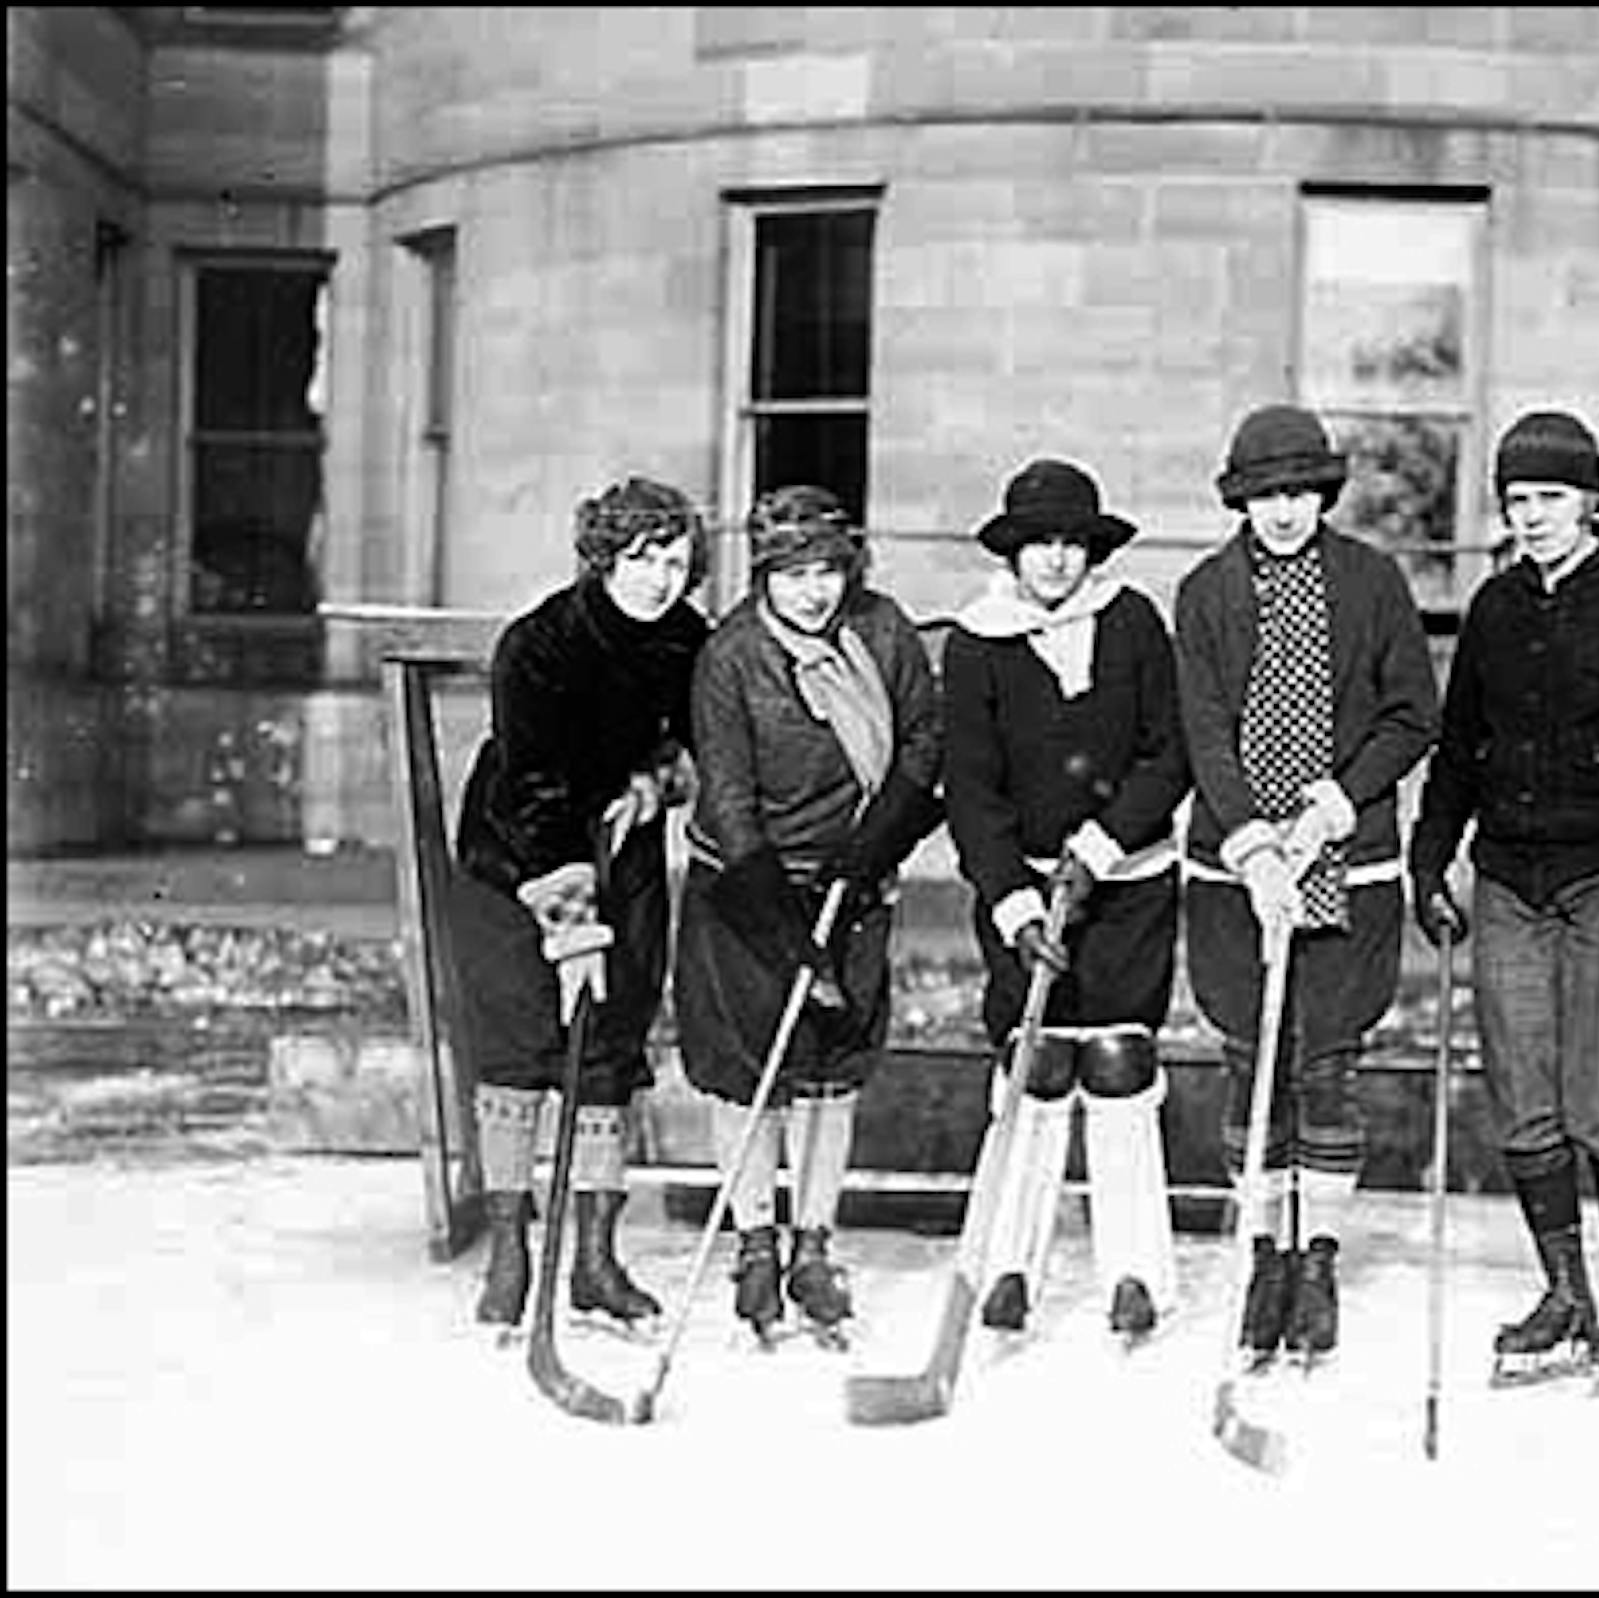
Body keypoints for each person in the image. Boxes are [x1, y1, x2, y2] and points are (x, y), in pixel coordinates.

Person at [1407, 407, 1599, 1386]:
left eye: (1549, 496)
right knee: (1523, 1100)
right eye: (1515, 499)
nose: (1532, 515)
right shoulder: (1497, 609)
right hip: (1509, 881)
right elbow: (1460, 750)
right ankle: (1564, 1288)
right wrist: (1430, 860)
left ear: (1592, 498)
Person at [1174, 404, 1442, 1362]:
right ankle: (1264, 1257)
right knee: (1253, 1063)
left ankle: (1316, 1257)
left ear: (1321, 495)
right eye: (1262, 496)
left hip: (1350, 860)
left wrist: (1336, 805)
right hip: (1234, 872)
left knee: (1327, 1065)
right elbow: (1201, 727)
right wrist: (1251, 842)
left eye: (1297, 493)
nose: (1281, 512)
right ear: (1238, 501)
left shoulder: (1369, 582)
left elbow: (1414, 715)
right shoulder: (1204, 593)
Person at [672, 484, 943, 1345]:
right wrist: (792, 943)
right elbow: (730, 799)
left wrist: (869, 856)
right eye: (792, 574)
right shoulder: (731, 657)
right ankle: (755, 1242)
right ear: (764, 577)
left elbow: (923, 742)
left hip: (853, 879)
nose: (814, 591)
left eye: (827, 569)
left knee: (831, 1069)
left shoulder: (884, 629)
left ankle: (813, 1246)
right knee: (749, 1069)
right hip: (747, 890)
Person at [449, 474, 713, 1331]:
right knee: (523, 1042)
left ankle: (595, 1261)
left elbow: (692, 747)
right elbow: (535, 787)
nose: (659, 578)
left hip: (622, 856)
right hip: (516, 863)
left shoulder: (687, 639)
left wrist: (656, 782)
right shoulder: (541, 642)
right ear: (603, 556)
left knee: (608, 1041)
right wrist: (571, 929)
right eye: (640, 558)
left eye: (675, 560)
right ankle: (510, 1253)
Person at [941, 458, 1191, 1342]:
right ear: (1012, 552)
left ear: (1092, 551)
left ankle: (1137, 1271)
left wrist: (1097, 849)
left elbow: (1171, 754)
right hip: (1026, 894)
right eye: (1039, 545)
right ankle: (1010, 1263)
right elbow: (970, 788)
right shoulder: (976, 642)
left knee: (1120, 1062)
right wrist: (1012, 902)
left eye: (1071, 544)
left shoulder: (1130, 624)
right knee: (1036, 1063)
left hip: (1128, 883)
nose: (1054, 561)